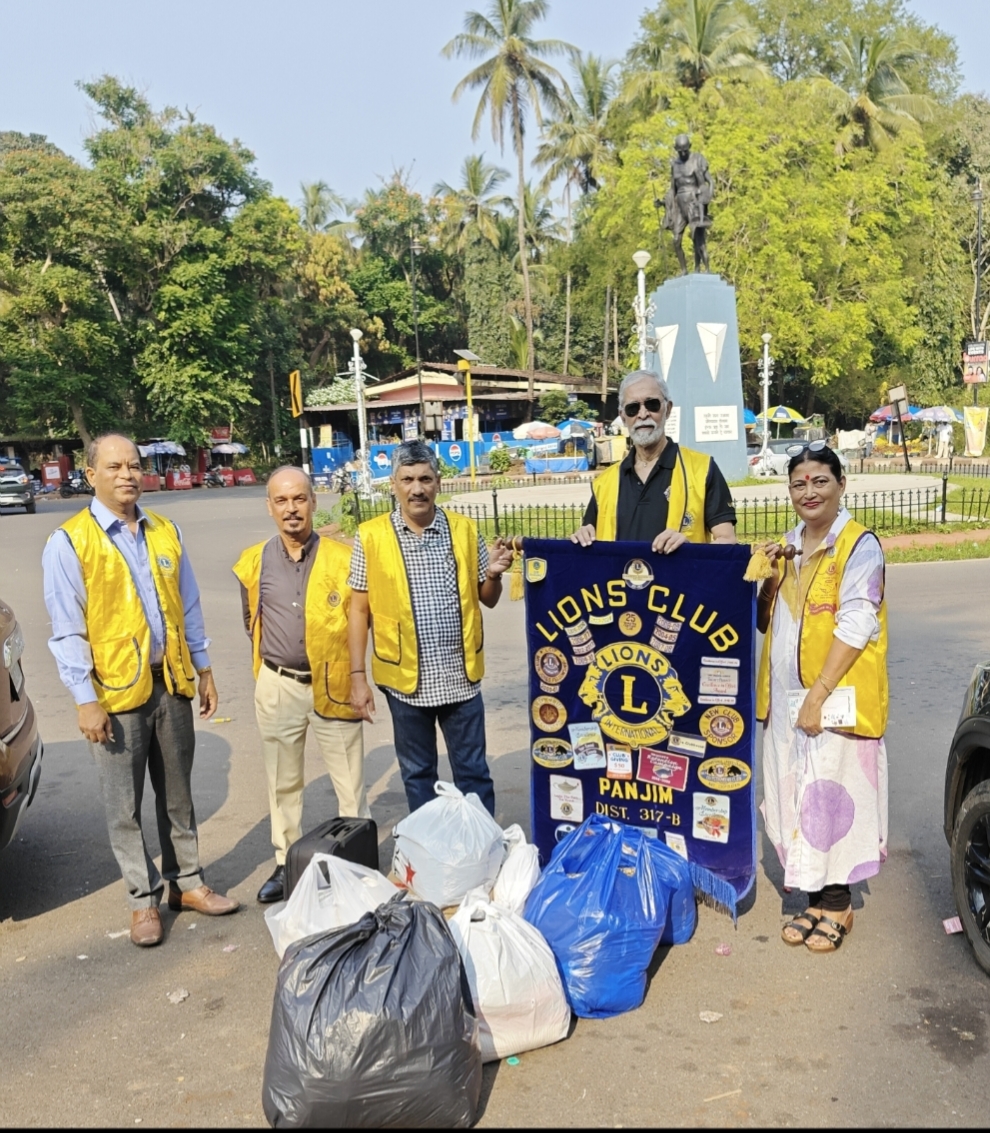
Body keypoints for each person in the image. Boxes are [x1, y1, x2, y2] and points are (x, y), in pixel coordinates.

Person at [42, 433, 238, 948]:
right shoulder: (70, 541)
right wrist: (85, 699)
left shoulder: (165, 531)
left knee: (178, 795)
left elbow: (188, 605)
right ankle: (142, 899)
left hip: (170, 682)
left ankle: (187, 884)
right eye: (114, 466)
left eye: (134, 465)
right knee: (122, 805)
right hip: (113, 694)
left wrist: (205, 668)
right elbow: (66, 629)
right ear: (91, 475)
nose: (127, 474)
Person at [754, 442, 888, 953]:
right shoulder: (786, 546)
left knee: (832, 795)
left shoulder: (858, 545)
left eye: (819, 481)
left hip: (836, 700)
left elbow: (857, 624)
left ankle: (838, 904)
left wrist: (819, 693)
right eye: (798, 483)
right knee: (795, 795)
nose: (808, 492)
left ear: (841, 485)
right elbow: (767, 622)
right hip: (787, 700)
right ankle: (812, 898)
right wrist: (766, 582)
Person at [347, 440, 514, 815]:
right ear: (394, 484)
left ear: (438, 482)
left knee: (473, 773)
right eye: (407, 479)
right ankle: (429, 858)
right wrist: (357, 676)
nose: (416, 488)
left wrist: (493, 575)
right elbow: (359, 610)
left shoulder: (464, 530)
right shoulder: (370, 536)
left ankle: (480, 850)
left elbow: (487, 598)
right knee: (418, 774)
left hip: (461, 677)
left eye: (425, 478)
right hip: (405, 683)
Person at [232, 466, 370, 905]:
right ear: (269, 506)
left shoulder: (344, 558)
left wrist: (357, 677)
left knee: (350, 780)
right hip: (278, 685)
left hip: (333, 683)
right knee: (282, 781)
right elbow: (250, 620)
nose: (291, 509)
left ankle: (356, 864)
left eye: (299, 499)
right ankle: (285, 863)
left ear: (313, 502)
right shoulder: (252, 561)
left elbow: (364, 620)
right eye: (281, 500)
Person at [571, 370, 737, 553]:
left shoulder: (702, 469)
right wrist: (583, 537)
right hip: (616, 582)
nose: (643, 414)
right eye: (632, 408)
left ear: (668, 409)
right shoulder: (604, 484)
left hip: (680, 581)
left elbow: (727, 540)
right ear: (623, 416)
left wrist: (691, 551)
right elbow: (589, 540)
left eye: (652, 404)